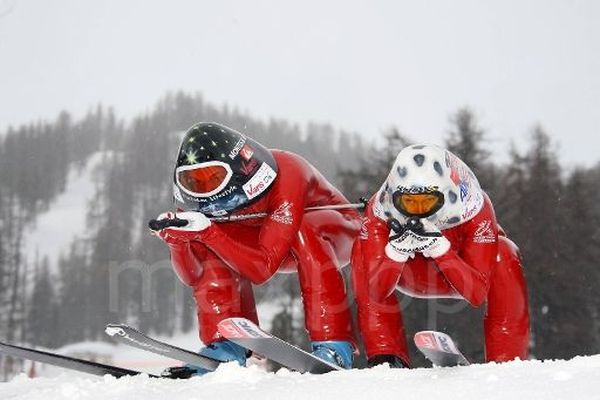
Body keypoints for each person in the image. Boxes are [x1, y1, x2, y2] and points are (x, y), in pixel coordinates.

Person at [154, 122, 360, 377]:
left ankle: (334, 343)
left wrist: (208, 232)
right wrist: (178, 242)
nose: (202, 190)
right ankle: (226, 344)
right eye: (192, 180)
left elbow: (262, 269)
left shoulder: (289, 174)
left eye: (212, 178)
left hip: (333, 236)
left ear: (238, 170)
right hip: (262, 240)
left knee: (303, 227)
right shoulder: (194, 201)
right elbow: (192, 276)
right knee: (208, 236)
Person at [351, 144, 529, 368]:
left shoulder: (473, 205)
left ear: (446, 194)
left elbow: (476, 294)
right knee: (360, 248)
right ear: (395, 196)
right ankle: (386, 356)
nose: (417, 212)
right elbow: (375, 291)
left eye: (426, 202)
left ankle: (507, 360)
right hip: (407, 273)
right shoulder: (381, 209)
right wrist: (395, 254)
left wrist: (441, 250)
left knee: (504, 252)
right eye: (408, 203)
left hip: (460, 275)